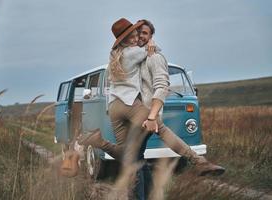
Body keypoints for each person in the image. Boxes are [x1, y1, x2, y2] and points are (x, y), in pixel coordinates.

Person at [78, 18, 225, 198]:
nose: (136, 38)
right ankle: (199, 161)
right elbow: (152, 51)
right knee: (159, 127)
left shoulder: (114, 55)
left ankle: (99, 142)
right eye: (132, 35)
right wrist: (151, 42)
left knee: (127, 155)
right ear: (124, 39)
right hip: (129, 103)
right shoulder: (134, 53)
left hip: (114, 106)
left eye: (139, 34)